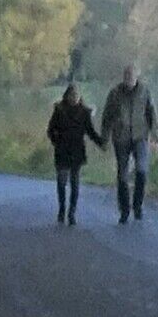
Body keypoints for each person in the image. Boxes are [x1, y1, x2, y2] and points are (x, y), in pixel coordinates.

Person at [97, 64, 156, 220]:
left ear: (136, 77)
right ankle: (124, 210)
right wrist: (104, 138)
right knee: (122, 175)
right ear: (123, 77)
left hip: (140, 136)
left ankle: (137, 205)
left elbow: (151, 112)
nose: (129, 78)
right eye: (126, 76)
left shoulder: (144, 91)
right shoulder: (115, 93)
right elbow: (106, 117)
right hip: (121, 137)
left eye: (131, 76)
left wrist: (155, 135)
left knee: (142, 171)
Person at [44, 79, 98, 224]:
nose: (74, 98)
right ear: (67, 96)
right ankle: (62, 209)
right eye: (71, 95)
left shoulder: (84, 113)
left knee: (75, 183)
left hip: (77, 151)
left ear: (80, 97)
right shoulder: (59, 110)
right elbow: (50, 130)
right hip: (62, 150)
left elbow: (90, 131)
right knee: (61, 182)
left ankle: (72, 212)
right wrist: (56, 141)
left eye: (76, 95)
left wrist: (100, 142)